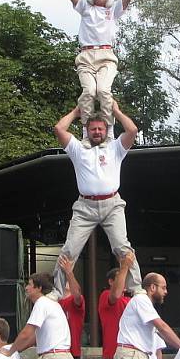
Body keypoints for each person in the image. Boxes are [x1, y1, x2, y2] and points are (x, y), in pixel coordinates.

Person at [52, 101, 142, 299]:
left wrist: (116, 111)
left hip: (112, 204)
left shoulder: (115, 148)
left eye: (101, 128)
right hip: (85, 206)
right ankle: (57, 291)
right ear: (87, 131)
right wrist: (76, 112)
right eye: (93, 129)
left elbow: (132, 129)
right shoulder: (78, 149)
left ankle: (136, 287)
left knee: (122, 246)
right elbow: (59, 128)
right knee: (70, 248)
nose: (97, 132)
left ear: (106, 130)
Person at [64, 0, 134, 133]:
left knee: (103, 90)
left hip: (106, 55)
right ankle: (87, 133)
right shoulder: (85, 7)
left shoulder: (113, 9)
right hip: (86, 55)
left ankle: (108, 132)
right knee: (88, 92)